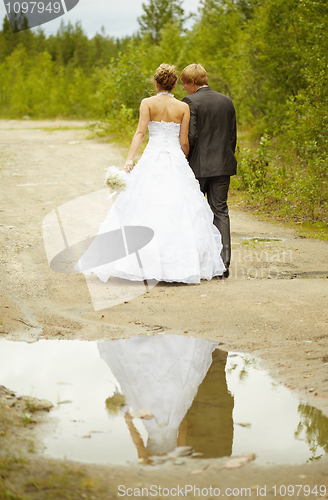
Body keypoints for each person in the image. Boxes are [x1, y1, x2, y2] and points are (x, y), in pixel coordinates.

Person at [75, 64, 225, 283]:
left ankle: (140, 262)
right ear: (174, 84)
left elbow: (140, 133)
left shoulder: (147, 103)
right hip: (174, 158)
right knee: (179, 208)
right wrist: (181, 160)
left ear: (156, 83)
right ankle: (177, 264)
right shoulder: (183, 107)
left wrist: (129, 159)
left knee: (141, 204)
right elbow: (184, 142)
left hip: (152, 157)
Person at [180, 64, 237, 278]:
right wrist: (226, 157)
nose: (184, 89)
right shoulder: (226, 100)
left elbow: (191, 137)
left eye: (185, 84)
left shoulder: (190, 102)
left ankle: (199, 260)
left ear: (193, 83)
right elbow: (232, 135)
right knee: (220, 210)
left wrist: (184, 160)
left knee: (196, 211)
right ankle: (224, 262)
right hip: (223, 164)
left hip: (198, 166)